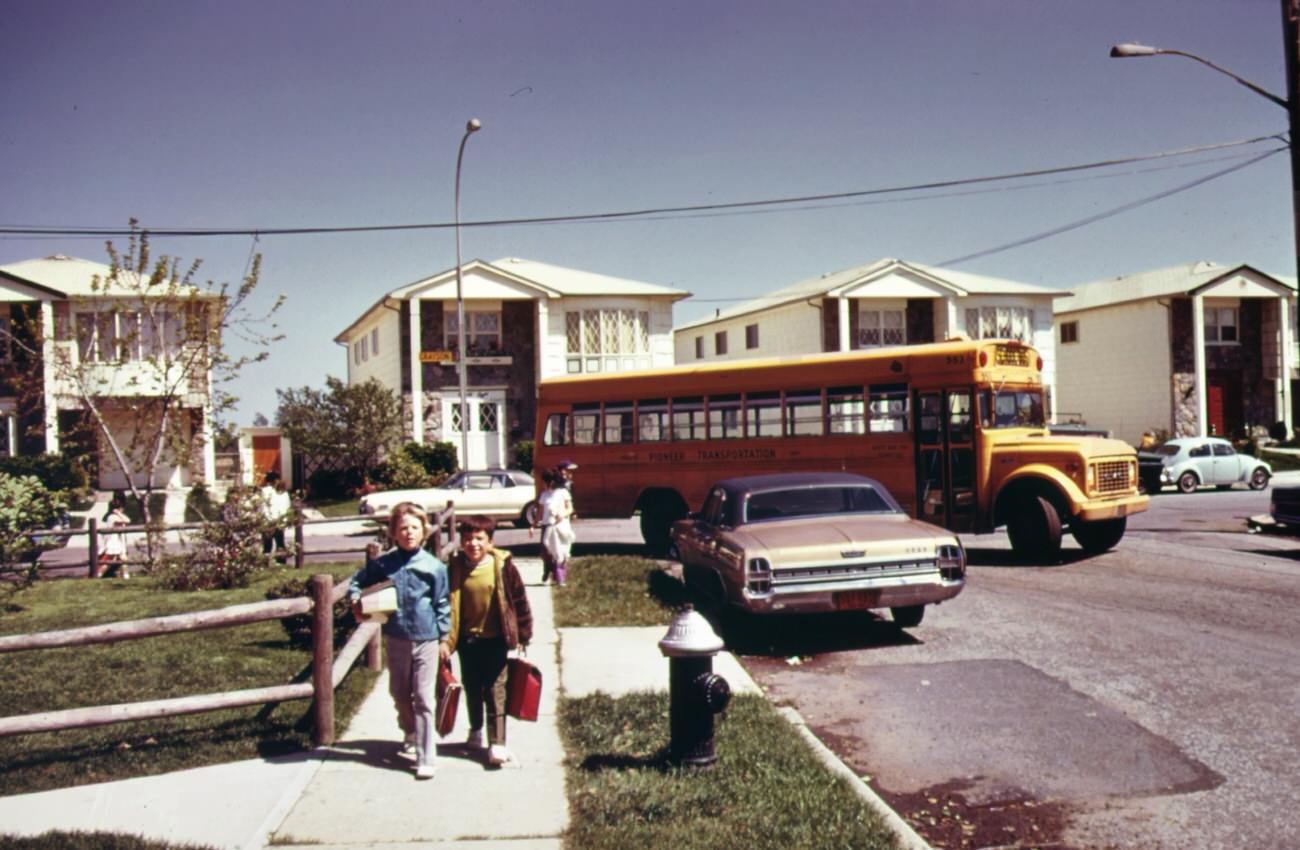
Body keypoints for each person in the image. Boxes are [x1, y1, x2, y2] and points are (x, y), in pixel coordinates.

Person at [348, 502, 451, 780]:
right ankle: (409, 729)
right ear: (394, 532)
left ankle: (426, 755)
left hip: (427, 637)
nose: (409, 533)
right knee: (399, 693)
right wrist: (356, 597)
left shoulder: (434, 567)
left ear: (424, 532)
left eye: (414, 528)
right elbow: (357, 582)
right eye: (403, 528)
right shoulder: (384, 564)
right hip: (396, 637)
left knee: (423, 697)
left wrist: (443, 636)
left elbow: (443, 602)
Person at [443, 514, 533, 767]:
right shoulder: (455, 567)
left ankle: (498, 742)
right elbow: (444, 603)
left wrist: (524, 633)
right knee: (472, 687)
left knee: (496, 690)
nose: (473, 544)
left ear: (491, 542)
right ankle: (475, 729)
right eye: (468, 539)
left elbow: (519, 601)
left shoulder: (503, 567)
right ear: (461, 541)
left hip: (496, 639)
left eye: (480, 539)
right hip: (467, 640)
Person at [538, 468, 575, 586]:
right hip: (548, 526)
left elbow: (570, 509)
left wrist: (562, 515)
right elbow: (541, 511)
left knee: (561, 551)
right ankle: (548, 571)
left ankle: (560, 577)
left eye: (544, 482)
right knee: (548, 550)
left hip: (561, 526)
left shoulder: (563, 492)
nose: (542, 484)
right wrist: (533, 525)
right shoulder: (545, 494)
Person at [261, 472, 292, 563]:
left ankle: (278, 561)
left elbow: (285, 507)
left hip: (274, 521)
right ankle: (276, 561)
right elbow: (264, 506)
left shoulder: (283, 493)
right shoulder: (267, 491)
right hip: (272, 521)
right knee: (271, 543)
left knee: (276, 543)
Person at [96, 497, 130, 579]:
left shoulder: (115, 516)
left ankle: (125, 575)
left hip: (119, 541)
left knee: (123, 558)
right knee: (109, 560)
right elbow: (127, 520)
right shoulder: (112, 517)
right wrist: (118, 513)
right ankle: (98, 575)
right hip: (113, 541)